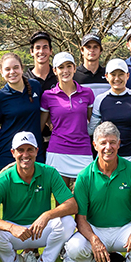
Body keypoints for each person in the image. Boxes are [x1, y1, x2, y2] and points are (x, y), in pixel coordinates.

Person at [0, 132, 78, 262]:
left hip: (40, 230)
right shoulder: (4, 179)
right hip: (14, 233)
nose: (25, 154)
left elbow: (72, 204)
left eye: (30, 149)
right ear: (13, 153)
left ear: (37, 151)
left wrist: (47, 215)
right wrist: (10, 227)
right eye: (21, 150)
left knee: (68, 223)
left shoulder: (49, 172)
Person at [65, 122, 131, 262]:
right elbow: (80, 218)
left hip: (125, 228)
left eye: (112, 142)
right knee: (73, 247)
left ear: (119, 144)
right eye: (103, 143)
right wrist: (94, 240)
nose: (108, 147)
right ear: (95, 144)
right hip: (95, 228)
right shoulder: (84, 176)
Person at [41, 52, 95, 185]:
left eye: (69, 66)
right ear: (54, 71)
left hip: (83, 149)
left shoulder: (87, 93)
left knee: (84, 199)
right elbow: (41, 125)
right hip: (58, 150)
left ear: (75, 68)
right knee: (61, 200)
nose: (65, 71)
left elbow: (93, 122)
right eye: (61, 67)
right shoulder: (48, 96)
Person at [0, 53, 43, 175]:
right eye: (7, 69)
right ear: (1, 72)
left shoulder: (35, 86)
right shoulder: (0, 98)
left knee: (38, 191)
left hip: (34, 151)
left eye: (16, 67)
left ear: (22, 69)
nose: (12, 72)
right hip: (9, 153)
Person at [89, 58, 131, 168]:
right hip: (108, 153)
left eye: (121, 74)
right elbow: (92, 130)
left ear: (127, 76)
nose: (117, 78)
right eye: (113, 74)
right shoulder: (100, 99)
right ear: (106, 77)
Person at [75, 33, 109, 99]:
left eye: (95, 47)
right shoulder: (74, 75)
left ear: (101, 51)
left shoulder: (108, 74)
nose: (92, 50)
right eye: (88, 47)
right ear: (82, 50)